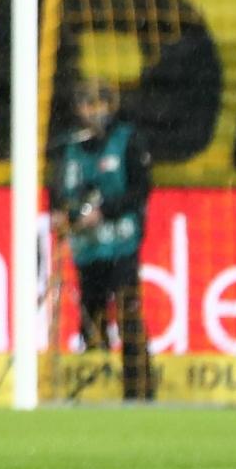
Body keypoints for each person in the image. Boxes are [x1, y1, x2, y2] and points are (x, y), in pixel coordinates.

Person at [52, 80, 155, 405]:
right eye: (87, 104)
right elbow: (56, 195)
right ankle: (97, 392)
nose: (94, 111)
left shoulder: (127, 141)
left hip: (121, 245)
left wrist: (105, 211)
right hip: (87, 250)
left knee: (128, 313)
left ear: (111, 106)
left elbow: (141, 190)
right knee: (92, 318)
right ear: (78, 109)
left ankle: (138, 393)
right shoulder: (68, 148)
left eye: (100, 104)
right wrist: (60, 216)